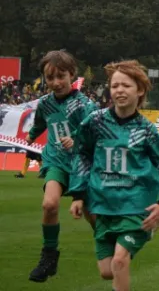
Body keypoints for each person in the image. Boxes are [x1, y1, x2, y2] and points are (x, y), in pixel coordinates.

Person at [69, 60, 159, 291]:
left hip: (136, 207)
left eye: (126, 85)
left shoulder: (146, 130)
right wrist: (78, 194)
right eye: (114, 85)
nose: (119, 90)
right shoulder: (95, 122)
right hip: (102, 205)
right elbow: (82, 155)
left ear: (139, 90)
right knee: (107, 271)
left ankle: (143, 232)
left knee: (120, 261)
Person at [25, 51, 97, 283]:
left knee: (92, 214)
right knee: (49, 204)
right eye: (50, 77)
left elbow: (94, 131)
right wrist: (31, 136)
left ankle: (108, 243)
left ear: (72, 75)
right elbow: (39, 123)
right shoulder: (45, 104)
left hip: (82, 163)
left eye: (61, 76)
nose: (55, 82)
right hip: (56, 160)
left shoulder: (85, 104)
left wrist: (77, 139)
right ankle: (49, 257)